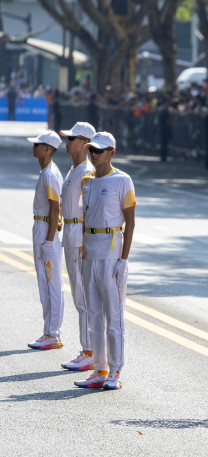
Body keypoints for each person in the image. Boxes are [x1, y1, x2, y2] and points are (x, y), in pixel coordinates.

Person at [74, 132, 136, 390]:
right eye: (91, 150)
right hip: (90, 252)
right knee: (94, 315)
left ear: (111, 152)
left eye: (99, 150)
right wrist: (82, 249)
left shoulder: (122, 180)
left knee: (113, 315)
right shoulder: (86, 181)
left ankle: (116, 370)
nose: (94, 154)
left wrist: (124, 259)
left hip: (111, 252)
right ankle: (100, 368)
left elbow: (130, 221)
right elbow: (86, 217)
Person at [59, 122, 96, 370]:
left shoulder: (87, 172)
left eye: (72, 138)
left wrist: (84, 241)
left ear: (85, 143)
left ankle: (89, 351)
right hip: (70, 230)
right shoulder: (74, 169)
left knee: (83, 295)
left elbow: (90, 210)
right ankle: (88, 348)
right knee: (78, 294)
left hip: (78, 232)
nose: (67, 141)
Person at [27, 131, 65, 350]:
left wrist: (49, 241)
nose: (34, 148)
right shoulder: (46, 172)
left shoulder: (50, 174)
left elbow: (55, 208)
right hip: (41, 226)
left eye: (38, 145)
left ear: (48, 149)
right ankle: (49, 331)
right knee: (45, 281)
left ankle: (52, 333)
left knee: (51, 283)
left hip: (46, 229)